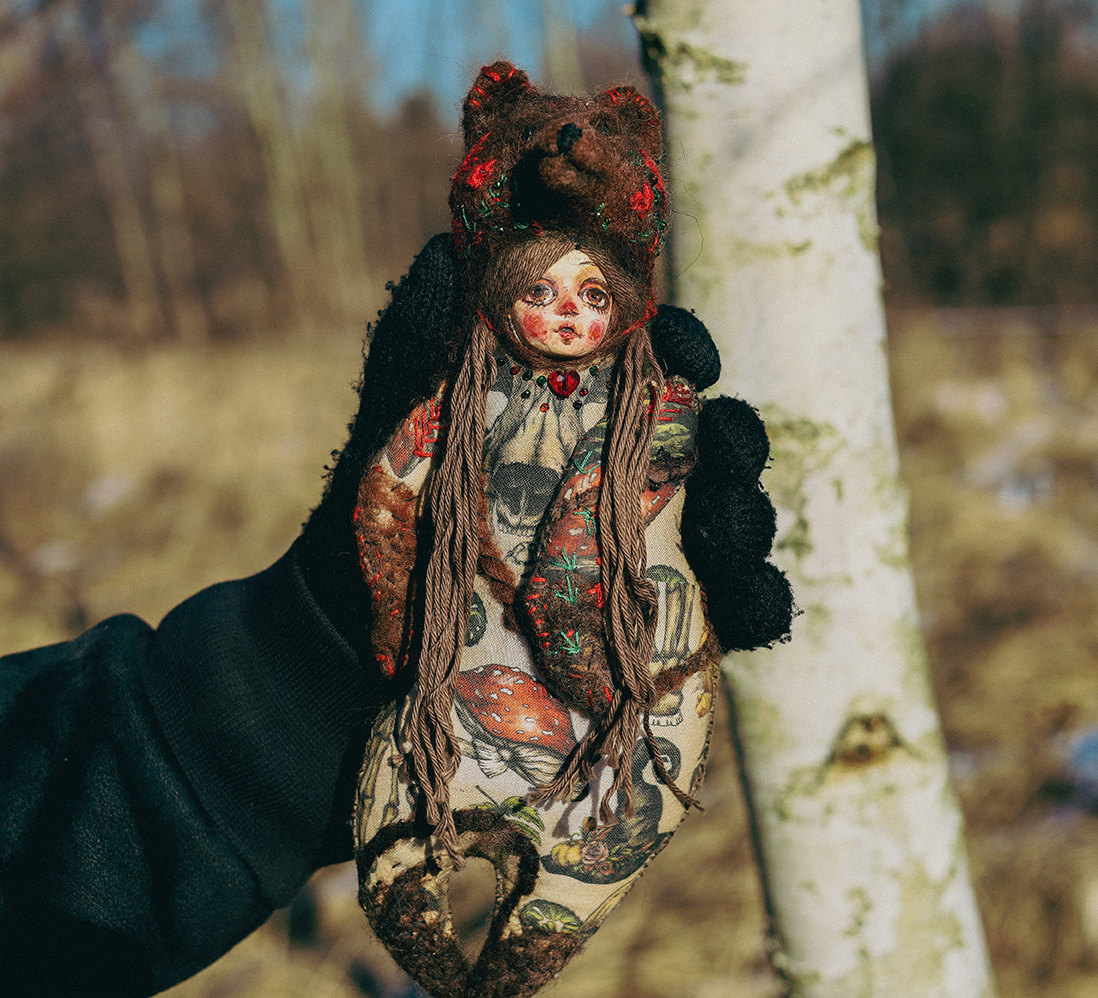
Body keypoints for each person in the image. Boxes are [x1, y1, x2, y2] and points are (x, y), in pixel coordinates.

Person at [0, 60, 793, 998]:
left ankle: (553, 902)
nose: (566, 315)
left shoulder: (650, 407)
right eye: (542, 292)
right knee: (404, 810)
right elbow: (391, 496)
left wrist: (265, 687)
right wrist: (369, 621)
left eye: (591, 296)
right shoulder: (459, 406)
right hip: (449, 685)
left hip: (612, 712)